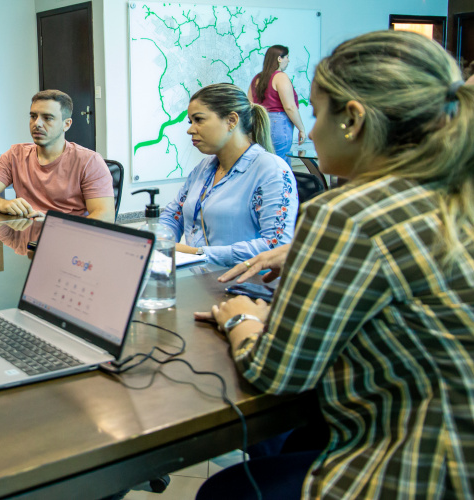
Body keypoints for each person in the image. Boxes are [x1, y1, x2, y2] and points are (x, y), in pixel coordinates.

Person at [197, 30, 474, 499]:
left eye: (316, 111)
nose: (309, 127)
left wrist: (241, 317)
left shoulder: (346, 214)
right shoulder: (451, 195)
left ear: (353, 119)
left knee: (225, 493)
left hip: (414, 471)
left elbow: (275, 373)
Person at [159, 83, 298, 267]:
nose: (190, 129)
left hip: (246, 287)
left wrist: (198, 254)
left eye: (199, 120)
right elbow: (173, 215)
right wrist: (158, 238)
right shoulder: (205, 168)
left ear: (231, 120)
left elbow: (276, 245)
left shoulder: (271, 170)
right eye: (190, 122)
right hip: (202, 281)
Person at [0, 89, 115, 222]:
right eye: (33, 116)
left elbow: (105, 217)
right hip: (26, 238)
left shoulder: (89, 161)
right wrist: (3, 204)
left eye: (47, 118)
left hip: (67, 239)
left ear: (67, 124)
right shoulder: (15, 155)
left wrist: (53, 224)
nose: (37, 123)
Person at [250, 45, 306, 164]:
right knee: (280, 165)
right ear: (279, 59)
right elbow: (290, 107)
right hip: (279, 124)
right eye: (287, 57)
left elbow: (250, 105)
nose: (288, 60)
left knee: (263, 164)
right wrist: (301, 128)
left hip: (259, 124)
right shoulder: (280, 77)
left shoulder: (256, 78)